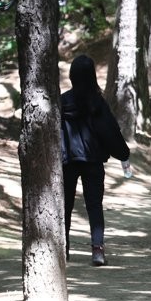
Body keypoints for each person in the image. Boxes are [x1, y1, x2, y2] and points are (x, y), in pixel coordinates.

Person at [59, 55, 131, 267]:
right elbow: (110, 132)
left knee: (65, 206)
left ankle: (63, 249)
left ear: (72, 76)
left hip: (67, 161)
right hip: (93, 161)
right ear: (92, 76)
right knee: (94, 206)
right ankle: (97, 251)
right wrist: (123, 154)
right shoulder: (97, 103)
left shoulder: (62, 102)